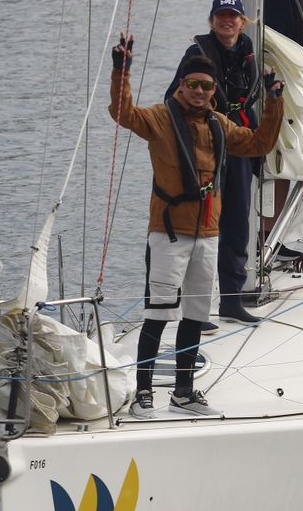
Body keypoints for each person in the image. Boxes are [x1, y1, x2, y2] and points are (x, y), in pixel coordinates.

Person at [110, 36, 284, 418]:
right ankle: (143, 393)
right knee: (158, 314)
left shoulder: (219, 124)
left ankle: (184, 393)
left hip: (208, 233)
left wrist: (274, 101)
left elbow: (260, 143)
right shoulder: (159, 118)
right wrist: (121, 71)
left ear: (214, 90)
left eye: (207, 86)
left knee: (194, 315)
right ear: (181, 85)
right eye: (193, 84)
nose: (200, 91)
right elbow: (123, 113)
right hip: (168, 233)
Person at [166, 0, 262, 328]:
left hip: (238, 145)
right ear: (212, 20)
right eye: (221, 15)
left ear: (242, 21)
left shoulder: (249, 52)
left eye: (233, 15)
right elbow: (172, 99)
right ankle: (193, 310)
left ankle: (232, 301)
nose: (227, 21)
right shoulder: (197, 54)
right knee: (201, 227)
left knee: (237, 223)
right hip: (206, 149)